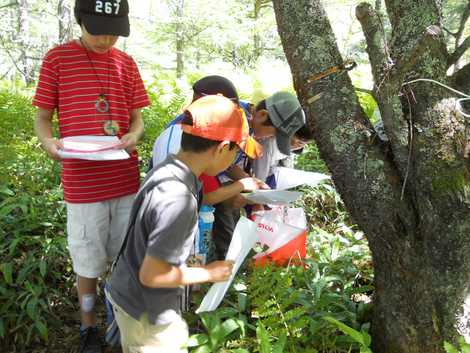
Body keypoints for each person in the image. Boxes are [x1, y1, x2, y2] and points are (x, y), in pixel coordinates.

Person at [33, 1, 150, 352]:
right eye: (98, 29)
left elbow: (137, 119)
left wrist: (134, 135)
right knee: (87, 258)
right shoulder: (57, 59)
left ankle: (119, 318)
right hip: (83, 182)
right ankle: (88, 326)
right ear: (81, 20)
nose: (107, 38)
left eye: (115, 31)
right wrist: (48, 143)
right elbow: (42, 118)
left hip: (124, 178)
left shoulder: (125, 63)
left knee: (122, 256)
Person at [107, 95, 259, 353]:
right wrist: (210, 272)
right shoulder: (178, 198)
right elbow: (153, 274)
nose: (235, 161)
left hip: (131, 293)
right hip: (147, 313)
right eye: (236, 152)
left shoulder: (170, 169)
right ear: (222, 147)